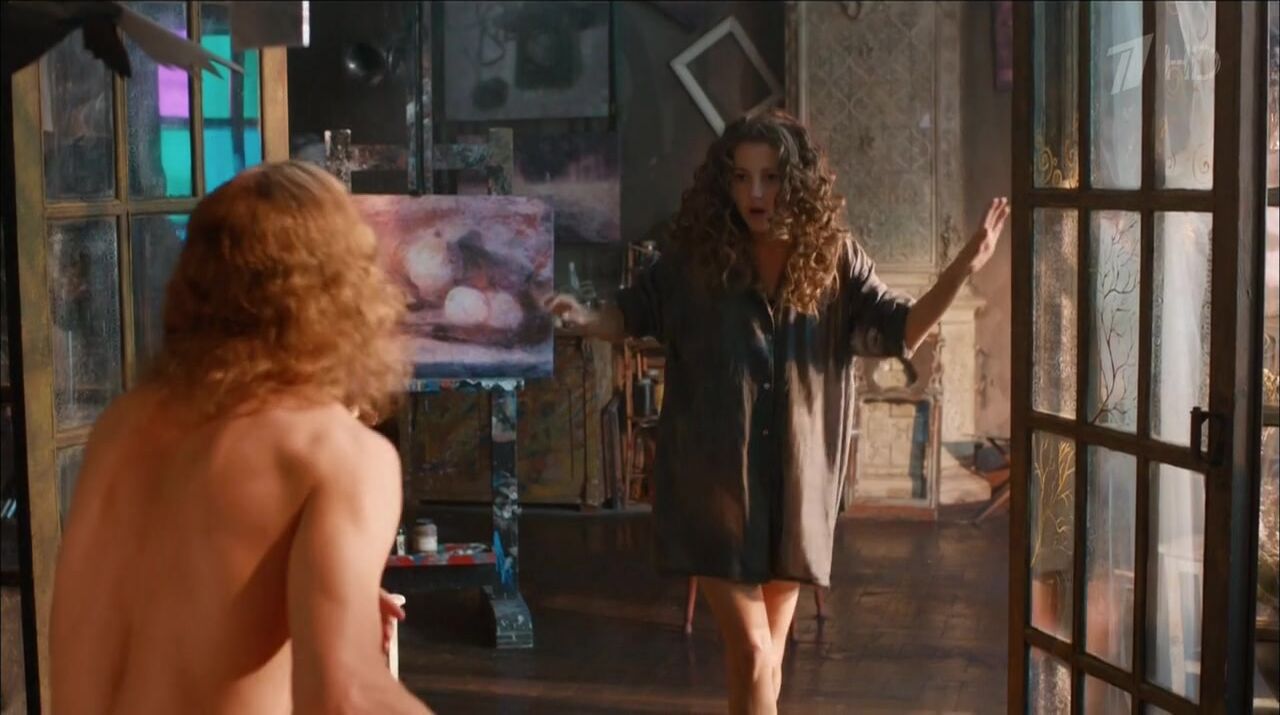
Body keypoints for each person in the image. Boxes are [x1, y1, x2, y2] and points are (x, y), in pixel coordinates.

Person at [548, 109, 1008, 715]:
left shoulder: (835, 260)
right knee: (755, 650)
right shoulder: (695, 258)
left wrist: (964, 268)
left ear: (797, 183)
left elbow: (902, 329)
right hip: (714, 489)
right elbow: (632, 313)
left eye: (769, 178)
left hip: (796, 487)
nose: (755, 193)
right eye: (742, 178)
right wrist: (585, 318)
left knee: (764, 662)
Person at [50, 161, 432, 714]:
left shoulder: (124, 424)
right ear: (345, 291)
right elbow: (344, 696)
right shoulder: (338, 455)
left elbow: (179, 595)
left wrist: (313, 592)